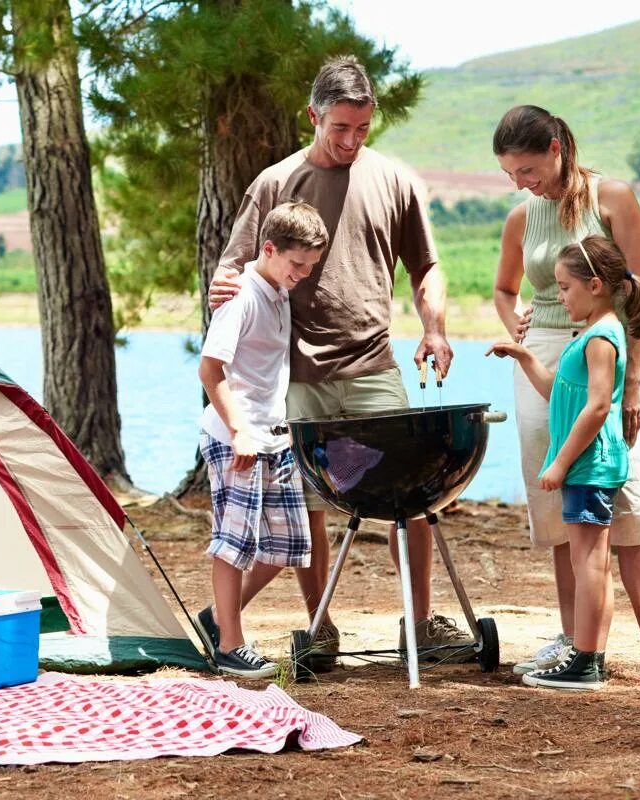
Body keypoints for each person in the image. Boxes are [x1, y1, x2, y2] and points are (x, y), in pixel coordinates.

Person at [208, 55, 477, 662]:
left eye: (363, 128)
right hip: (296, 375)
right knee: (310, 512)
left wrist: (434, 328)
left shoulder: (396, 180)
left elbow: (426, 265)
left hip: (376, 365)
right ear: (313, 116)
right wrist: (223, 289)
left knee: (410, 499)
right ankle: (319, 628)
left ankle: (420, 623)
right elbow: (234, 266)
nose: (353, 141)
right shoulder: (275, 183)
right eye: (340, 129)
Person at [492, 104, 640, 686]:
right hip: (546, 359)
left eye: (529, 169)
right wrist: (517, 328)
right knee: (564, 504)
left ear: (558, 147)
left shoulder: (613, 198)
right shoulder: (521, 217)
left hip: (610, 350)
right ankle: (574, 639)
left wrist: (634, 381)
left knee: (629, 491)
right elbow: (505, 290)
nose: (522, 183)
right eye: (512, 174)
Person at [488, 236, 640, 689]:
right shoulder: (591, 335)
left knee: (590, 565)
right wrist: (522, 354)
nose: (559, 297)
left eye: (564, 287)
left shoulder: (601, 337)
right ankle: (589, 658)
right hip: (587, 466)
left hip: (589, 466)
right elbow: (557, 391)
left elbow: (598, 407)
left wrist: (558, 462)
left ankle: (585, 659)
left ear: (595, 285)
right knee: (591, 563)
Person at [193, 201, 328, 679]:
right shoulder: (244, 296)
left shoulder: (277, 290)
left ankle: (215, 618)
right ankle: (230, 645)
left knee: (289, 545)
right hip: (238, 439)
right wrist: (239, 431)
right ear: (268, 249)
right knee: (234, 543)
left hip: (274, 437)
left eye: (309, 267)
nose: (302, 275)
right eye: (296, 265)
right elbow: (211, 370)